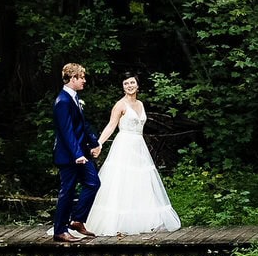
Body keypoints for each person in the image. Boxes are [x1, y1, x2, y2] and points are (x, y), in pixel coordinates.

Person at [84, 72, 181, 235]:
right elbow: (111, 125)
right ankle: (117, 222)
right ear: (123, 87)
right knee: (122, 181)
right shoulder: (120, 105)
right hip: (125, 144)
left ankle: (147, 221)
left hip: (139, 146)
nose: (129, 86)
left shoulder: (141, 104)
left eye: (132, 83)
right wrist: (99, 143)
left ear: (137, 85)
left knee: (141, 181)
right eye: (126, 83)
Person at [51, 62, 102, 244]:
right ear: (73, 79)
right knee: (68, 191)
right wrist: (76, 154)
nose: (85, 81)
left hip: (82, 152)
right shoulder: (62, 101)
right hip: (70, 156)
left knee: (93, 183)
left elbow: (82, 125)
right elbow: (66, 131)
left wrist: (95, 143)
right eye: (82, 77)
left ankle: (77, 219)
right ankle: (60, 230)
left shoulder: (74, 98)